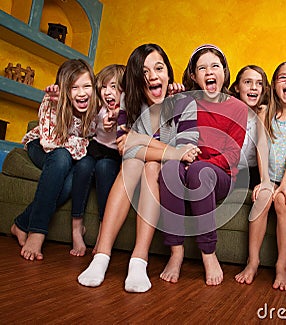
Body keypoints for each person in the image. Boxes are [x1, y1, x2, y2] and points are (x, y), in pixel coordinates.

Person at [77, 43, 199, 293]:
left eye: (159, 68)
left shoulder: (184, 103)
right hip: (134, 167)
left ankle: (138, 260)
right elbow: (124, 146)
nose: (153, 76)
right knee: (132, 162)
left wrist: (145, 142)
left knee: (152, 165)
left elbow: (186, 155)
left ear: (168, 73)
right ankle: (101, 256)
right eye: (145, 72)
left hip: (162, 172)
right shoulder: (129, 101)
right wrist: (170, 150)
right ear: (135, 78)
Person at [158, 44, 248, 286]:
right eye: (202, 68)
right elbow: (166, 132)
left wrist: (196, 164)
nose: (209, 71)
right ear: (194, 76)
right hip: (185, 165)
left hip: (220, 175)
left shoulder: (238, 108)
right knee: (168, 169)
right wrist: (170, 95)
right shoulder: (184, 102)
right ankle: (176, 253)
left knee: (200, 170)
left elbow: (232, 155)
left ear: (225, 72)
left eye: (215, 66)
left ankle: (208, 254)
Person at [235, 61, 286, 291]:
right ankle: (253, 262)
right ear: (273, 85)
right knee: (263, 198)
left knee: (282, 200)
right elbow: (261, 145)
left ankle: (282, 266)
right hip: (269, 177)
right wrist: (266, 181)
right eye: (283, 78)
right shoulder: (263, 111)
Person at [10, 59, 97, 261]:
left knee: (68, 184)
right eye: (74, 88)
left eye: (87, 86)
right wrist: (58, 105)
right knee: (61, 157)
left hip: (69, 153)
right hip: (41, 145)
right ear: (64, 89)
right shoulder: (52, 101)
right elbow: (50, 144)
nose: (82, 93)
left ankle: (20, 223)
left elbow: (91, 142)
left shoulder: (94, 111)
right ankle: (37, 232)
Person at [69, 64, 126, 257]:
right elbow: (81, 124)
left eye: (114, 87)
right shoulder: (97, 108)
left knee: (103, 168)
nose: (108, 92)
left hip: (112, 155)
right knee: (84, 166)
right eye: (103, 87)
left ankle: (104, 230)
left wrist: (119, 120)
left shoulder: (128, 110)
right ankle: (77, 227)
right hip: (94, 148)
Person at [229, 65, 270, 189]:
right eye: (247, 82)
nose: (253, 87)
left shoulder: (266, 114)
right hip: (230, 170)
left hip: (254, 172)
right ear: (237, 87)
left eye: (259, 83)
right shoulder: (227, 110)